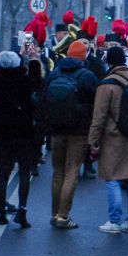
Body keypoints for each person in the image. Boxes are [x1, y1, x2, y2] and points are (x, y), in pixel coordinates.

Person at [42, 40, 99, 229]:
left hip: (57, 129)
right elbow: (95, 103)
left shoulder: (54, 73)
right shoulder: (87, 76)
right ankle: (63, 216)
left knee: (58, 172)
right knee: (72, 171)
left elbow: (44, 98)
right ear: (83, 57)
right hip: (79, 131)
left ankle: (54, 212)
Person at [89, 46, 128, 234]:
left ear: (109, 62)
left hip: (113, 136)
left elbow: (99, 116)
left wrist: (93, 141)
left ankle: (114, 221)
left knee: (112, 178)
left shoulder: (107, 84)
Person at [0, 50, 42, 227]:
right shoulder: (23, 80)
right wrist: (33, 60)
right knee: (24, 171)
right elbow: (37, 82)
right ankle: (22, 210)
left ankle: (1, 210)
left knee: (2, 168)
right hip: (22, 129)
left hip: (0, 129)